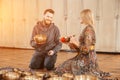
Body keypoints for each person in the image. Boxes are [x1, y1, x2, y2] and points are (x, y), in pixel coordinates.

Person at [54, 9, 111, 79]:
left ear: (85, 18)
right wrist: (69, 43)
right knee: (62, 66)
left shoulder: (89, 30)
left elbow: (86, 50)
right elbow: (80, 50)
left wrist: (75, 42)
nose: (79, 18)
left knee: (63, 68)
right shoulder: (86, 28)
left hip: (88, 60)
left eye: (81, 17)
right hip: (82, 56)